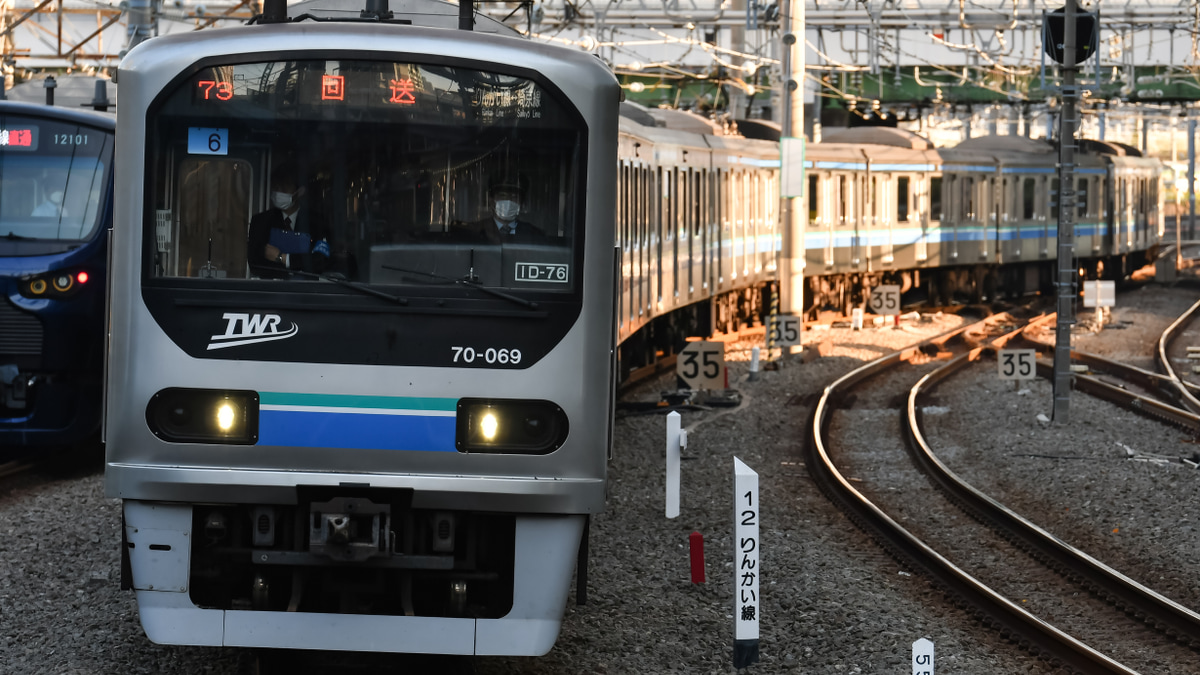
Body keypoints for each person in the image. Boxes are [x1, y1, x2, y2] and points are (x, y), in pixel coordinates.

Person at [247, 167, 330, 279]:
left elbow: (320, 260)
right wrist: (301, 262)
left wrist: (283, 258)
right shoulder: (260, 221)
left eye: (284, 188)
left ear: (300, 191)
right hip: (271, 290)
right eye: (276, 187)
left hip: (308, 291)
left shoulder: (317, 222)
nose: (278, 192)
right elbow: (255, 262)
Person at [468, 175, 544, 242]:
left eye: (514, 196)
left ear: (521, 202)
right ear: (491, 201)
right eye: (502, 195)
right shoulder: (474, 231)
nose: (509, 200)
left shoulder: (534, 234)